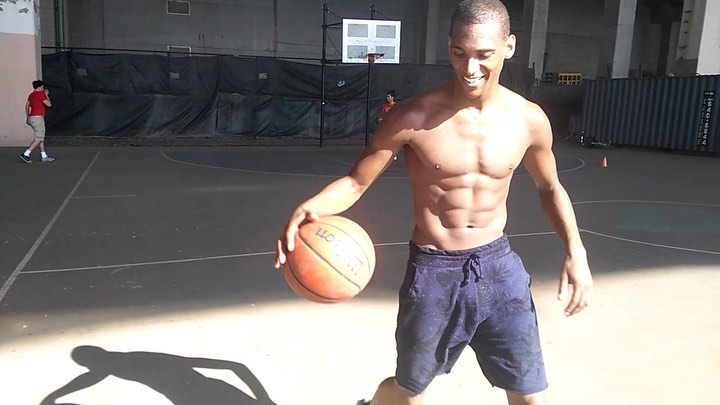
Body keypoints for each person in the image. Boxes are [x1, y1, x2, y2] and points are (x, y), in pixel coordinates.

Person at [274, 1, 594, 404]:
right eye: (459, 53)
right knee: (409, 394)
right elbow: (356, 181)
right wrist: (311, 207)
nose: (470, 68)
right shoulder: (411, 117)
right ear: (448, 46)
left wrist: (576, 251)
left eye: (483, 54)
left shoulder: (529, 120)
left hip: (499, 267)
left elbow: (550, 188)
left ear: (509, 47)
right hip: (434, 271)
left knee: (530, 396)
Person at [20, 80, 55, 163]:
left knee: (40, 137)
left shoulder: (31, 95)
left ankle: (44, 156)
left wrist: (27, 117)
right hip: (38, 118)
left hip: (32, 118)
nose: (43, 88)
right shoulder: (40, 94)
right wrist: (46, 95)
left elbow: (27, 106)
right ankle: (26, 154)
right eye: (42, 87)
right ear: (39, 87)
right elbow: (49, 104)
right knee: (39, 138)